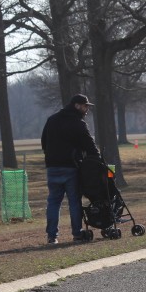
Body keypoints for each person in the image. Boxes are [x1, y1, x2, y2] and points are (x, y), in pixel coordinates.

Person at [41, 93, 100, 244]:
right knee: (74, 201)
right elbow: (89, 144)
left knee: (53, 202)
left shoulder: (52, 119)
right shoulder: (78, 123)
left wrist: (50, 156)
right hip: (71, 167)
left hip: (52, 166)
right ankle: (77, 233)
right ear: (77, 106)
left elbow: (44, 142)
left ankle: (52, 236)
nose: (87, 109)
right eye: (85, 106)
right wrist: (97, 158)